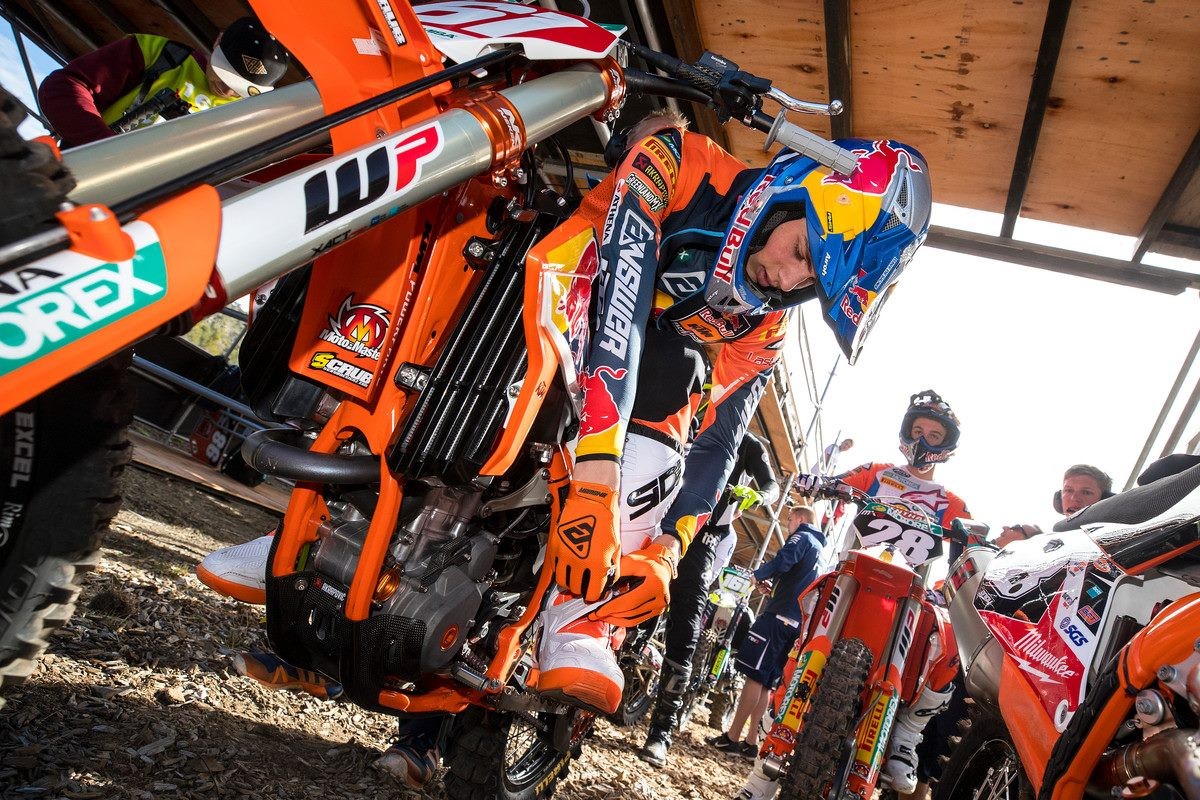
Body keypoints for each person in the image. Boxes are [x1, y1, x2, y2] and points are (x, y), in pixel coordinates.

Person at [198, 109, 933, 785]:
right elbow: (619, 296)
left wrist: (671, 545)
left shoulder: (762, 329)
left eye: (811, 283)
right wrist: (597, 467)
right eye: (802, 251)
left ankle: (579, 620)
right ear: (791, 193)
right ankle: (331, 533)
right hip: (546, 326)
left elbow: (718, 440)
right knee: (456, 268)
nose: (787, 278)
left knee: (678, 371)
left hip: (622, 425)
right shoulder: (680, 161)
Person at [734, 390, 971, 800]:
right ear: (905, 432)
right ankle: (758, 783)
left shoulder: (951, 502)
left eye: (934, 435)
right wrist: (819, 483)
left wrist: (977, 543)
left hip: (908, 594)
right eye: (918, 430)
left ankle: (906, 737)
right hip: (852, 578)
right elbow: (838, 482)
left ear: (947, 446)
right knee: (805, 638)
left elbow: (968, 544)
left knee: (949, 638)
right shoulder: (877, 472)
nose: (923, 441)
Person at [638, 429, 780, 767]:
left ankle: (662, 729)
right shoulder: (696, 420)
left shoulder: (747, 443)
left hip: (706, 534)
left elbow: (772, 486)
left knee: (688, 618)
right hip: (659, 516)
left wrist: (757, 497)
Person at [38, 16, 290, 148]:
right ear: (218, 41)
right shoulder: (159, 53)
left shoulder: (245, 119)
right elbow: (64, 85)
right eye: (225, 75)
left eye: (239, 89)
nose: (226, 89)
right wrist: (102, 147)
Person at [708, 504, 823, 759]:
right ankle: (751, 742)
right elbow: (799, 582)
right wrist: (773, 590)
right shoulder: (820, 548)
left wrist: (756, 575)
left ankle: (732, 737)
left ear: (800, 518)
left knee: (753, 677)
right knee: (766, 683)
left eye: (789, 519)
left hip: (777, 619)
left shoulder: (803, 536)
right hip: (794, 623)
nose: (787, 524)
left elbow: (784, 560)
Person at [994, 463, 1114, 547]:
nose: (1074, 498)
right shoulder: (1055, 542)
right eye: (1069, 490)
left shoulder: (1109, 541)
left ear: (1104, 499)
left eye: (1086, 492)